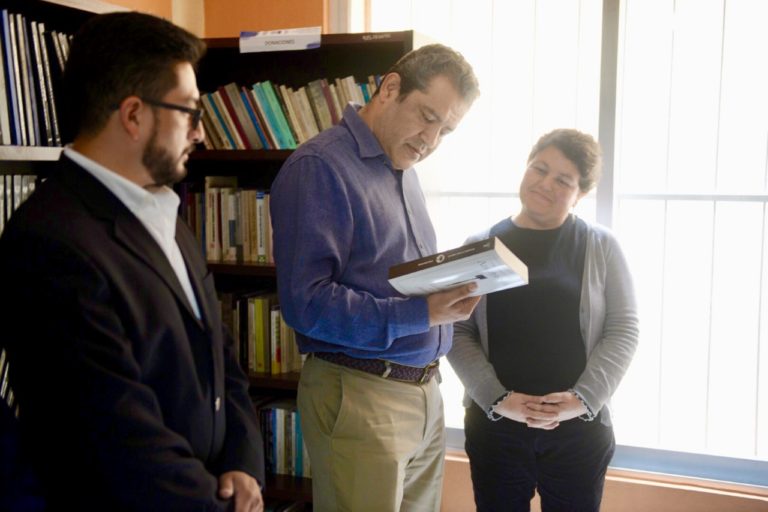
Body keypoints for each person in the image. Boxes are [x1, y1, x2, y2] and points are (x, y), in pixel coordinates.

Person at [0, 12, 265, 511]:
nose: (200, 133)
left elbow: (222, 361)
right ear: (133, 115)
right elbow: (113, 433)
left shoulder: (165, 213)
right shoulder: (49, 242)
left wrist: (244, 462)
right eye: (189, 111)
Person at [270, 44, 481, 512]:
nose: (431, 139)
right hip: (362, 394)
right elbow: (307, 305)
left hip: (424, 393)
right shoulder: (320, 167)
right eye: (427, 116)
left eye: (445, 130)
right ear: (390, 88)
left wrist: (449, 288)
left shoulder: (403, 167)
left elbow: (385, 275)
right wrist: (422, 311)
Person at [447, 129, 639, 511]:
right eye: (539, 169)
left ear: (580, 193)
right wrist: (498, 399)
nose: (545, 183)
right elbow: (456, 328)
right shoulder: (480, 244)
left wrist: (581, 400)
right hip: (496, 427)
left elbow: (624, 329)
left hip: (578, 431)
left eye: (563, 180)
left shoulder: (600, 246)